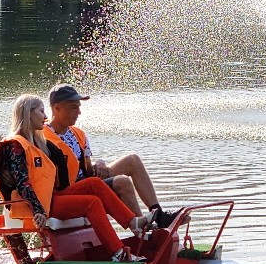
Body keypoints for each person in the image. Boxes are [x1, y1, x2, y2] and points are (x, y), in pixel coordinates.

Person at [0, 94, 153, 264]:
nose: (45, 117)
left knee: (94, 184)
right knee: (92, 203)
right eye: (41, 111)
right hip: (35, 207)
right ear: (28, 113)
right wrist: (38, 210)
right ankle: (118, 252)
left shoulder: (37, 142)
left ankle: (133, 222)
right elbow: (23, 183)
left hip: (49, 198)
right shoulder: (14, 146)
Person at [43, 84, 179, 227]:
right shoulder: (42, 136)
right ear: (57, 108)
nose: (79, 112)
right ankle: (142, 230)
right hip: (68, 191)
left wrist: (100, 163)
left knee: (132, 160)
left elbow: (87, 170)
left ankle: (158, 215)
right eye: (74, 107)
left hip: (87, 181)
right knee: (122, 182)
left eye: (79, 107)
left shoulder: (77, 133)